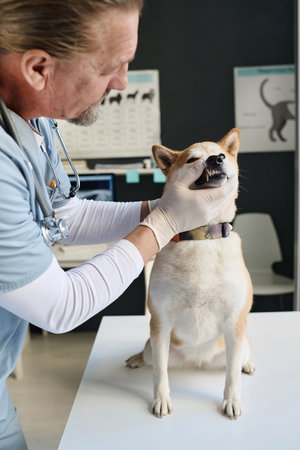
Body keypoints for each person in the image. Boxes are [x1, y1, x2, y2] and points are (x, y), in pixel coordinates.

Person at [0, 0, 236, 448]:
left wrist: (157, 207)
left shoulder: (32, 120)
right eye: (112, 66)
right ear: (38, 68)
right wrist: (166, 223)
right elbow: (60, 308)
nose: (123, 82)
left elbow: (63, 214)